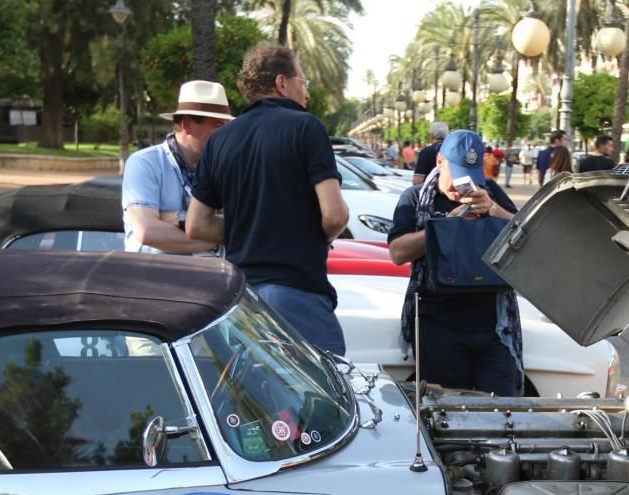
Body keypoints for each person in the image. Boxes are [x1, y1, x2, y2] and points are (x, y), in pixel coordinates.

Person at [186, 42, 349, 355]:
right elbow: (335, 216)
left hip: (242, 299)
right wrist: (310, 235)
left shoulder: (220, 139)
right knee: (325, 394)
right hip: (297, 292)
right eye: (303, 83)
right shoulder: (307, 127)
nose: (307, 93)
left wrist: (251, 229)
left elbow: (196, 225)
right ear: (281, 82)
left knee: (254, 400)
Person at [386, 129, 521, 396]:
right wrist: (446, 228)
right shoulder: (415, 198)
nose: (464, 187)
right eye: (458, 177)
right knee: (446, 415)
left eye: (471, 178)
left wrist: (494, 210)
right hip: (438, 327)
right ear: (439, 162)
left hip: (493, 327)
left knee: (502, 413)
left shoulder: (489, 192)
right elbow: (397, 253)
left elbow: (526, 232)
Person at [122, 80, 232, 254]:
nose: (226, 133)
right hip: (154, 277)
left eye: (227, 126)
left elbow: (243, 223)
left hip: (215, 278)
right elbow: (147, 231)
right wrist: (218, 241)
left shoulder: (225, 166)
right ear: (188, 125)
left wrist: (172, 217)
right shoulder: (145, 163)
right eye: (218, 125)